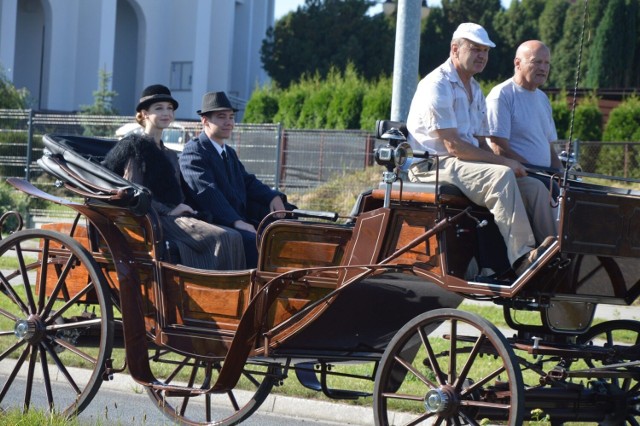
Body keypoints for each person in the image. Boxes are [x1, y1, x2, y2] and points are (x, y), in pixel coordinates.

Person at [405, 23, 556, 277]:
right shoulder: (437, 84)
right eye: (475, 49)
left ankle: (554, 252)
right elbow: (453, 145)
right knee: (501, 177)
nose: (482, 56)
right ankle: (523, 257)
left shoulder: (474, 89)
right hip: (433, 165)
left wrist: (513, 163)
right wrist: (505, 165)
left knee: (535, 187)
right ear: (455, 49)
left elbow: (482, 143)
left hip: (462, 164)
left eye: (485, 51)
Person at [103, 84, 246, 270]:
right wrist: (169, 211)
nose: (166, 113)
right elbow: (135, 194)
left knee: (234, 235)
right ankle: (211, 291)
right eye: (159, 108)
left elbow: (179, 192)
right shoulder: (135, 149)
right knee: (223, 237)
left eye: (170, 108)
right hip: (153, 219)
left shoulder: (170, 154)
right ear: (145, 114)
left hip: (177, 216)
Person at [179, 91, 293, 268]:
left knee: (288, 220)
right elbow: (207, 192)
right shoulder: (194, 152)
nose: (229, 122)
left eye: (231, 117)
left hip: (240, 216)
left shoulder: (228, 152)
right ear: (205, 121)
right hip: (214, 221)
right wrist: (235, 221)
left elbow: (247, 181)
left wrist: (272, 196)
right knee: (250, 240)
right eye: (221, 117)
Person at [486, 40, 562, 196]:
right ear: (518, 63)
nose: (543, 68)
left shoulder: (543, 98)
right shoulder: (502, 95)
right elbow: (499, 148)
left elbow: (548, 146)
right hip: (518, 178)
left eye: (547, 63)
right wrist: (539, 173)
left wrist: (562, 174)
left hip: (544, 177)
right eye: (536, 62)